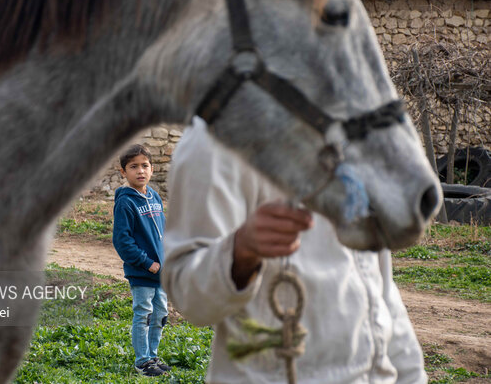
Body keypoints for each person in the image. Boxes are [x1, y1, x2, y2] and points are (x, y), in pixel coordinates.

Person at [162, 117, 427, 384]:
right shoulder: (216, 138)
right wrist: (240, 252)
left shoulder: (356, 131)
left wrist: (412, 376)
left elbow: (380, 289)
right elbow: (190, 297)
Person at [112, 144, 171, 377]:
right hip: (143, 272)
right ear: (123, 172)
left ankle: (153, 356)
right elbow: (122, 241)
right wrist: (147, 263)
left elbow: (163, 232)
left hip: (162, 272)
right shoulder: (126, 202)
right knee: (144, 314)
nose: (140, 171)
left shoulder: (154, 196)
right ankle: (142, 361)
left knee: (160, 315)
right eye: (133, 166)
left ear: (152, 169)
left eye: (144, 165)